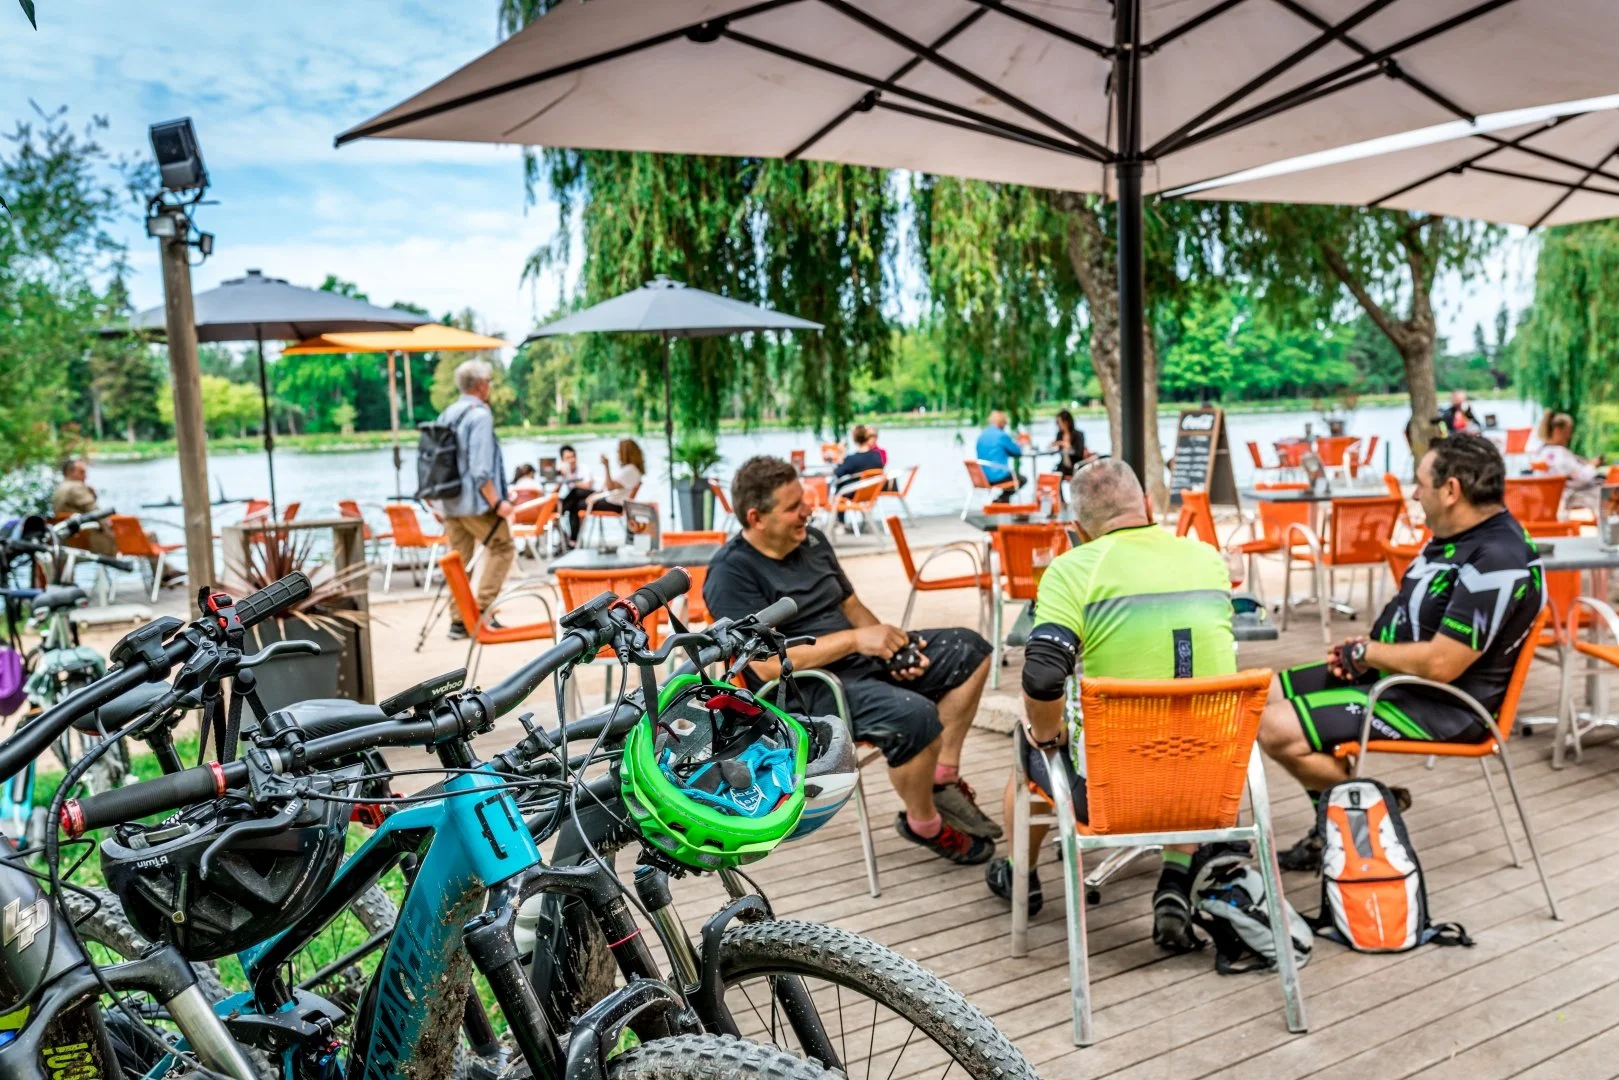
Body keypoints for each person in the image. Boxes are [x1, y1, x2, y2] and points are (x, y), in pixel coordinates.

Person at [1258, 433, 1543, 871]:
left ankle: (1361, 809)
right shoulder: (1457, 533)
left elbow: (1442, 665)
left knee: (1277, 728)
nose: (1413, 493)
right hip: (1397, 678)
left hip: (1444, 705)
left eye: (1421, 483)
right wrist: (1360, 656)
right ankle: (1341, 819)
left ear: (1452, 491)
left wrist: (1369, 652)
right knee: (1264, 696)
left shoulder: (1498, 559)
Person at [984, 459, 1236, 948]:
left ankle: (1021, 876)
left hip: (1108, 792)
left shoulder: (1074, 569)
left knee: (1030, 747)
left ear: (1077, 529)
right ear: (1146, 504)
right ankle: (1175, 881)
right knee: (1185, 729)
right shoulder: (1207, 558)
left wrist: (1046, 734)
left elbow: (1040, 676)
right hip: (1209, 782)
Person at [703, 455, 1001, 865]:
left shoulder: (812, 541)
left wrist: (893, 648)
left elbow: (851, 603)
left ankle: (940, 776)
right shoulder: (730, 573)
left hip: (857, 663)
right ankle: (925, 823)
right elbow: (767, 667)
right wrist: (858, 640)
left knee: (970, 649)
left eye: (804, 502)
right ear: (756, 517)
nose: (808, 511)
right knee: (915, 716)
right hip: (802, 692)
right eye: (794, 507)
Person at [432, 360, 515, 640]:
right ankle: (481, 612)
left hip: (449, 501)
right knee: (503, 547)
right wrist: (497, 503)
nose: (490, 386)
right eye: (489, 381)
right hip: (475, 503)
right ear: (480, 385)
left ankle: (459, 622)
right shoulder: (480, 415)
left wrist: (435, 502)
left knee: (459, 562)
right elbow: (481, 470)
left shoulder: (448, 413)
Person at [51, 459, 181, 582]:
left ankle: (167, 571)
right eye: (82, 472)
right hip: (95, 543)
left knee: (142, 536)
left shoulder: (58, 490)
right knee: (149, 536)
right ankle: (165, 575)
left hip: (71, 542)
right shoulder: (76, 488)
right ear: (70, 472)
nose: (86, 476)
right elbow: (98, 513)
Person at [1534, 410, 1601, 512]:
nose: (1570, 437)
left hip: (1549, 501)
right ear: (1558, 431)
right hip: (1568, 499)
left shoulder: (1542, 453)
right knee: (1609, 493)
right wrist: (1593, 465)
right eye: (1568, 432)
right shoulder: (1561, 456)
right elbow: (1582, 479)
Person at [584, 439, 645, 518]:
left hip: (614, 504)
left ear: (625, 453)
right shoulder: (632, 469)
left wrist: (606, 466)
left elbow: (610, 487)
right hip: (615, 501)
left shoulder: (630, 470)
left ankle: (572, 529)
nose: (617, 454)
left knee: (577, 502)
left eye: (619, 451)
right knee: (578, 493)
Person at [975, 410, 1023, 501]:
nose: (1005, 425)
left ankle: (1003, 501)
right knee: (1022, 480)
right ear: (1002, 423)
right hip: (997, 476)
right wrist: (1021, 444)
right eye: (1005, 423)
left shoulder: (981, 436)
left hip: (982, 477)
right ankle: (1002, 499)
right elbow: (1017, 452)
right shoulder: (1002, 436)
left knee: (1012, 477)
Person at [556, 444, 594, 547]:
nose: (572, 460)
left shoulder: (583, 469)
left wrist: (570, 478)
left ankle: (560, 511)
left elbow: (588, 486)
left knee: (575, 492)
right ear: (562, 460)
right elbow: (554, 492)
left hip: (590, 497)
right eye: (568, 458)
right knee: (574, 506)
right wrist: (561, 477)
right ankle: (571, 541)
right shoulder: (561, 471)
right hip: (576, 502)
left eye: (573, 457)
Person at [1051, 410, 1090, 480]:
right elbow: (1057, 451)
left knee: (1059, 473)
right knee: (1054, 476)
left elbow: (1079, 453)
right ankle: (1058, 491)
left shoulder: (1078, 435)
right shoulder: (1059, 435)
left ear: (1066, 422)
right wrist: (1053, 447)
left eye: (1058, 422)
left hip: (1076, 465)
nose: (1057, 425)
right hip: (1063, 466)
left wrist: (1068, 446)